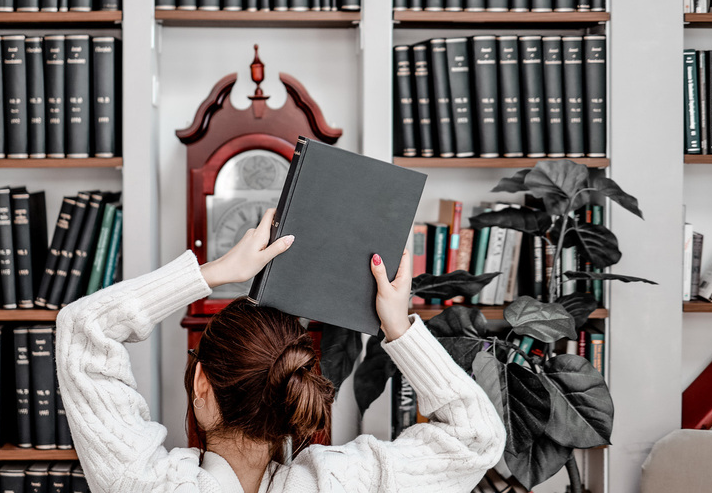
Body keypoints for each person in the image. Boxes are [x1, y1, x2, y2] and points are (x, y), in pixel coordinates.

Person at [56, 209, 506, 493]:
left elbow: (82, 327)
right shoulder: (344, 482)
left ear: (201, 384)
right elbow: (476, 438)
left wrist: (215, 272)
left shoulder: (140, 484)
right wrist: (397, 324)